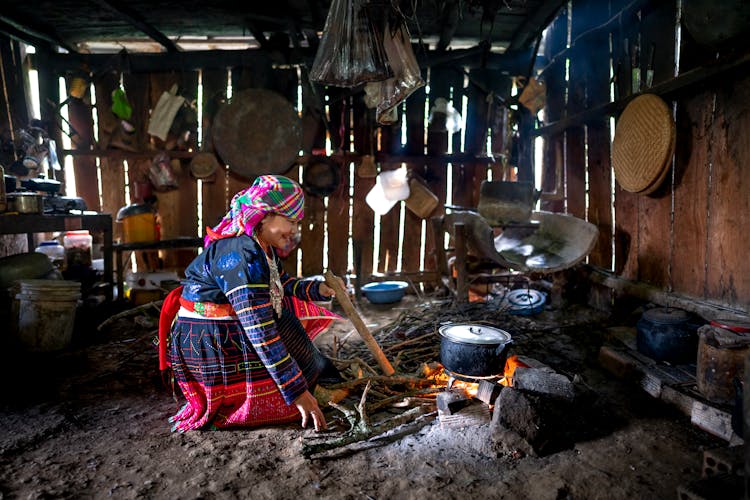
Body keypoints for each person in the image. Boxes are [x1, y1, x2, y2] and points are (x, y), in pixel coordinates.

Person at [158, 175, 344, 432]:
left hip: (231, 325)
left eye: (297, 223)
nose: (295, 231)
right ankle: (278, 391)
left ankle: (309, 379)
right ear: (264, 215)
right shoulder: (241, 252)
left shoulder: (260, 246)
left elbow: (282, 283)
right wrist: (296, 392)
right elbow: (259, 330)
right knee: (285, 396)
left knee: (284, 317)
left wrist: (319, 289)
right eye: (290, 221)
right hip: (211, 339)